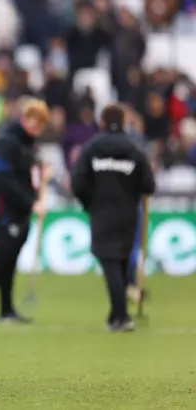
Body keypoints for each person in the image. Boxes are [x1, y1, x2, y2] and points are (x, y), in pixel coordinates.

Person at [71, 104, 155, 332]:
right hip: (127, 215)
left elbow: (77, 181)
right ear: (124, 122)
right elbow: (149, 185)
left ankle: (120, 316)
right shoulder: (135, 149)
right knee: (119, 262)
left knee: (110, 264)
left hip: (101, 213)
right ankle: (115, 314)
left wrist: (90, 202)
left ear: (103, 123)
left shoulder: (91, 148)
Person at [0, 98, 51, 324]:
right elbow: (3, 179)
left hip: (19, 211)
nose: (36, 126)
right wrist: (30, 202)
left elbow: (27, 176)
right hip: (2, 210)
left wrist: (42, 176)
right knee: (3, 255)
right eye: (33, 120)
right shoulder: (6, 143)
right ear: (24, 118)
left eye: (40, 122)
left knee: (10, 258)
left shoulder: (30, 145)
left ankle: (6, 309)